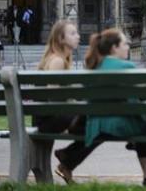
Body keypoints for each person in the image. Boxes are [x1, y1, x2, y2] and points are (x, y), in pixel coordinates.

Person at [84, 28, 146, 186]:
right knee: (145, 127)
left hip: (94, 125)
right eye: (125, 43)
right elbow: (134, 102)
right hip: (117, 125)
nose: (129, 46)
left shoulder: (94, 66)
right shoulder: (126, 67)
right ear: (114, 47)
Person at [33, 20, 97, 184]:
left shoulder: (59, 59)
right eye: (73, 33)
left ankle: (67, 161)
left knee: (95, 124)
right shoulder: (57, 61)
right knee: (97, 126)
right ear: (61, 39)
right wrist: (70, 121)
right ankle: (67, 160)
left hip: (49, 117)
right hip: (50, 119)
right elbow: (53, 94)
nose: (78, 36)